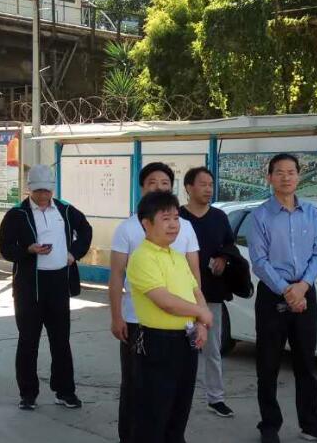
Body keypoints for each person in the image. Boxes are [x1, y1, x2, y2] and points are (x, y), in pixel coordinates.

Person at [249, 153, 317, 443]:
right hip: (273, 295)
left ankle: (311, 424)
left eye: (291, 172)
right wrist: (287, 291)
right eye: (279, 172)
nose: (286, 177)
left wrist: (303, 286)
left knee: (306, 364)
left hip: (305, 292)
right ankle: (269, 426)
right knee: (268, 365)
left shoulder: (311, 212)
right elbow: (259, 261)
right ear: (270, 178)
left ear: (299, 176)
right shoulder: (260, 216)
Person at [110, 162, 202, 443]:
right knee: (138, 391)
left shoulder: (182, 233)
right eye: (152, 182)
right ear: (142, 187)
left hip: (183, 329)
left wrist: (200, 319)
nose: (159, 187)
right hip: (142, 324)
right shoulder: (130, 231)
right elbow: (117, 276)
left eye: (165, 183)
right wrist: (117, 316)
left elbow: (194, 279)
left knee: (176, 399)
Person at [0, 163, 92, 411]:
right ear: (29, 189)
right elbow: (6, 248)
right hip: (29, 286)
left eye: (47, 191)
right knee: (28, 340)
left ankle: (65, 391)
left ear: (53, 190)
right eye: (38, 191)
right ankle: (28, 393)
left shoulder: (65, 210)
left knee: (61, 341)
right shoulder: (17, 214)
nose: (43, 195)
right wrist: (28, 250)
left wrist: (73, 254)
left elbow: (85, 230)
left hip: (58, 282)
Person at [127, 190, 214, 443]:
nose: (174, 224)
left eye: (176, 218)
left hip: (186, 340)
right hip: (158, 343)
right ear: (146, 223)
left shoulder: (177, 256)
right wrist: (202, 313)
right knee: (154, 415)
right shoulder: (142, 257)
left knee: (179, 411)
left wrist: (201, 324)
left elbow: (195, 291)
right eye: (165, 218)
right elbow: (166, 302)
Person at [179, 167, 238, 418]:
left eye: (211, 184)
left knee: (212, 349)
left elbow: (229, 244)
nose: (208, 189)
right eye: (202, 184)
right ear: (188, 188)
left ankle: (216, 398)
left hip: (211, 294)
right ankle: (177, 397)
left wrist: (224, 258)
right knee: (181, 350)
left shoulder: (219, 217)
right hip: (179, 295)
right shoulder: (177, 217)